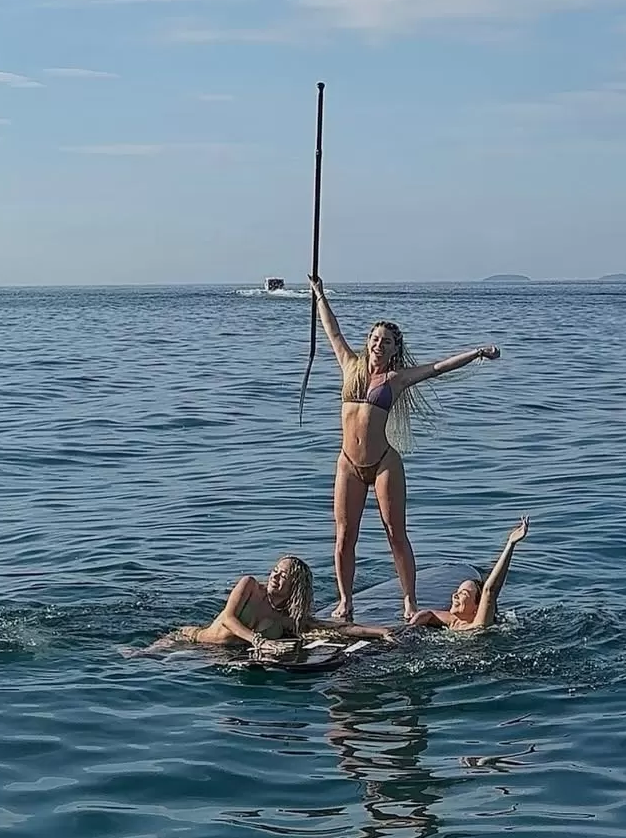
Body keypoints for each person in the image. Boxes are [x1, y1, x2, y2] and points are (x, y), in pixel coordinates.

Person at [307, 275, 501, 622]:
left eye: (386, 342)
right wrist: (320, 295)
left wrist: (477, 352)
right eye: (374, 338)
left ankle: (409, 600)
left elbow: (437, 368)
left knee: (395, 532)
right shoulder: (350, 366)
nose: (378, 345)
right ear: (368, 342)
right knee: (343, 536)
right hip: (348, 464)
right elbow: (332, 332)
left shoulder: (396, 380)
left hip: (383, 463)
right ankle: (345, 601)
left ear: (396, 349)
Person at [126, 554, 395, 657]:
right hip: (191, 640)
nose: (275, 576)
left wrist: (379, 631)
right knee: (141, 660)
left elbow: (337, 628)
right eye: (275, 570)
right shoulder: (250, 586)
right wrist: (259, 641)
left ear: (295, 588)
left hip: (218, 655)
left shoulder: (288, 618)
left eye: (284, 575)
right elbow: (230, 619)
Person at [406, 517, 529, 631]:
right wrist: (411, 626)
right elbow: (429, 614)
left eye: (464, 594)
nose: (455, 595)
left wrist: (510, 544)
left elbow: (489, 590)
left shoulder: (478, 625)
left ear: (477, 609)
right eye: (458, 591)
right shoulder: (454, 621)